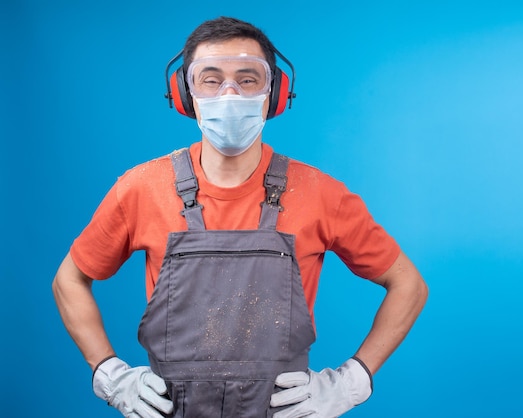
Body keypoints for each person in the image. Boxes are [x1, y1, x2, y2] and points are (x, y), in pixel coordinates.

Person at [52, 16, 428, 418]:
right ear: (184, 94)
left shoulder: (322, 193)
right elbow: (69, 279)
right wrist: (109, 373)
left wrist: (353, 381)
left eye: (248, 79)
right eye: (210, 79)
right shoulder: (140, 188)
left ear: (275, 93)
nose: (228, 94)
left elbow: (409, 284)